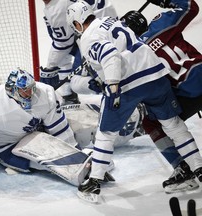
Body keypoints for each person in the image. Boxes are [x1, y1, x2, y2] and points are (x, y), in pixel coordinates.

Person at [66, 1, 202, 202]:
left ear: (77, 24)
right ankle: (198, 168)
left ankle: (93, 183)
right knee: (174, 125)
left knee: (106, 133)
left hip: (128, 84)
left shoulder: (87, 37)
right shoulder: (110, 21)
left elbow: (110, 56)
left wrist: (111, 85)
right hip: (156, 77)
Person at [0, 69, 95, 187]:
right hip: (5, 147)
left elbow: (59, 127)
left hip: (36, 130)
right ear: (12, 90)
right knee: (43, 154)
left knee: (80, 125)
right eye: (24, 90)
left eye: (31, 88)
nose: (30, 94)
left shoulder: (45, 93)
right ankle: (78, 168)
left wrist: (73, 148)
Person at [120, 0, 202, 193]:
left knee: (152, 122)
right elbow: (191, 7)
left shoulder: (134, 53)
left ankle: (184, 168)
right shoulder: (161, 24)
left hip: (188, 92)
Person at [40, 0, 117, 105]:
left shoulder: (57, 8)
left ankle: (108, 89)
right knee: (62, 44)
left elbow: (63, 44)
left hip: (97, 38)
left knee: (76, 83)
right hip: (111, 23)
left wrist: (50, 67)